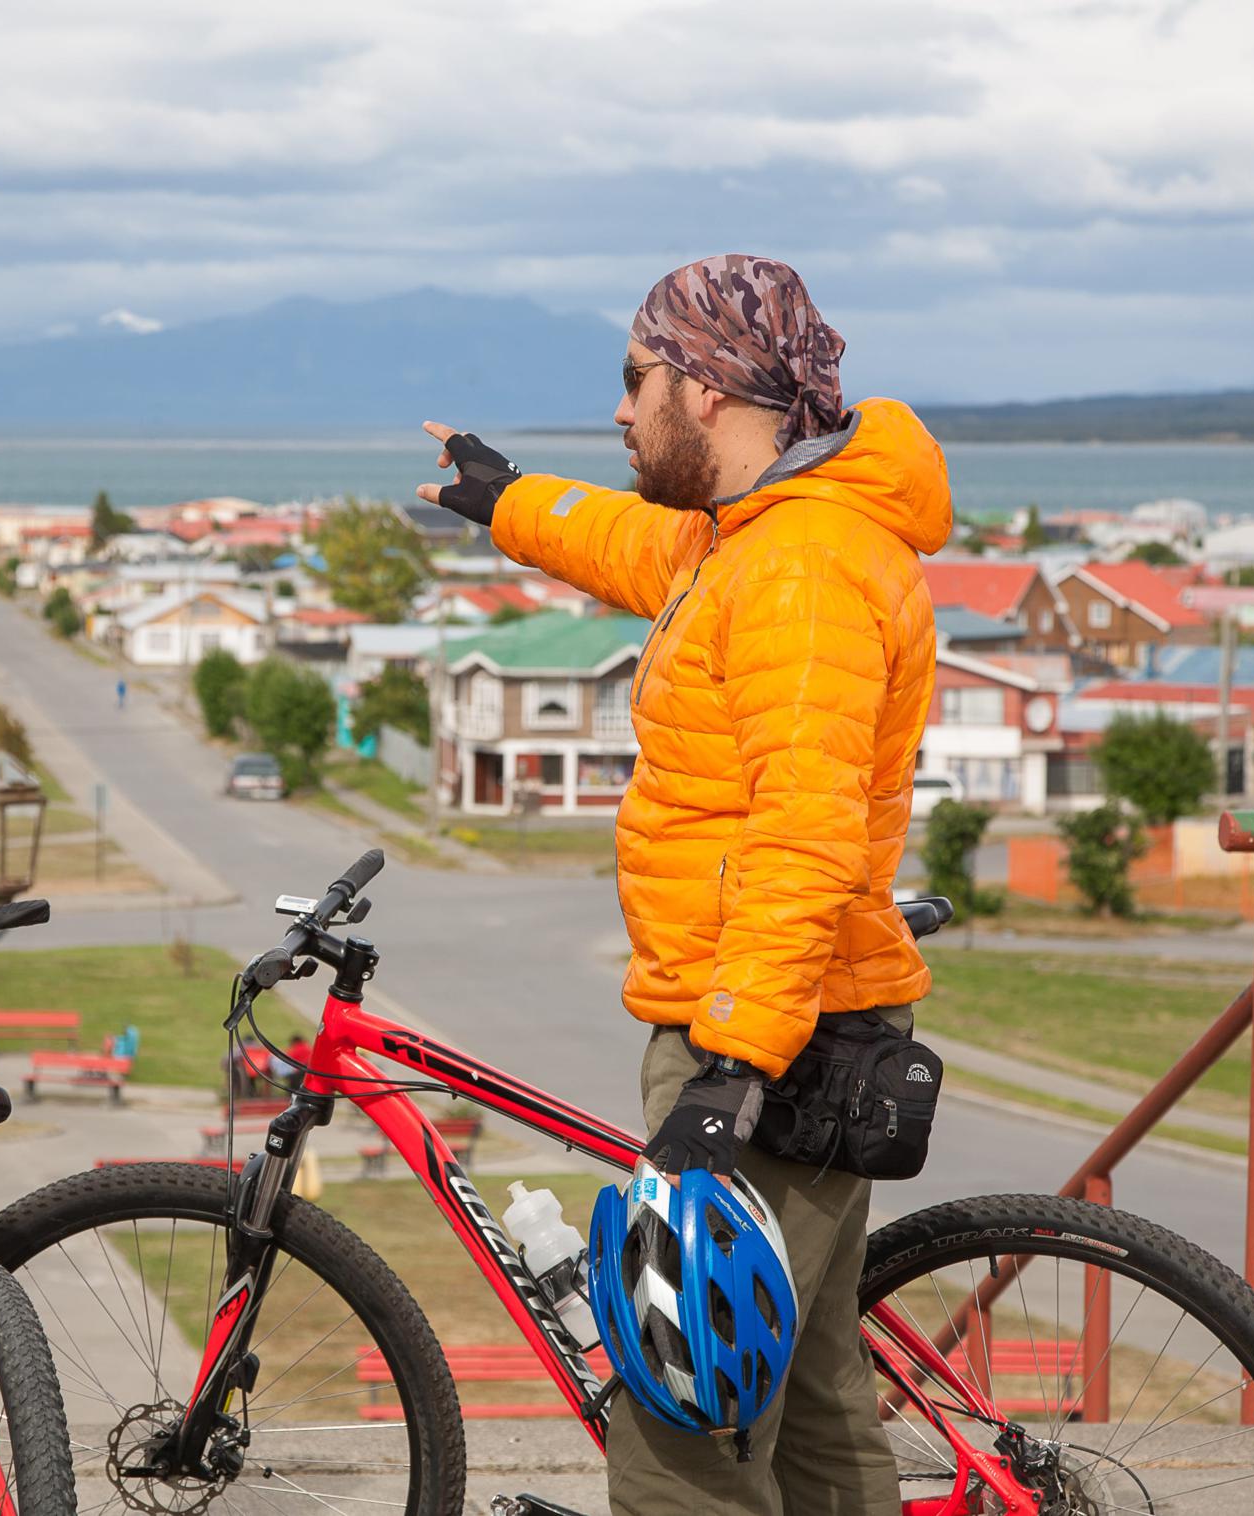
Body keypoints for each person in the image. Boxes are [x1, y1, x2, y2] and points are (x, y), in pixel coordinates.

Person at [419, 256, 950, 1515]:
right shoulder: (751, 538)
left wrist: (731, 1067)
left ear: (707, 388)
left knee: (681, 1426)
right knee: (809, 1401)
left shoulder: (801, 567)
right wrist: (508, 500)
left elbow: (804, 829)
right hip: (784, 1019)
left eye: (635, 378)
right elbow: (635, 542)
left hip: (765, 1039)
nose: (619, 410)